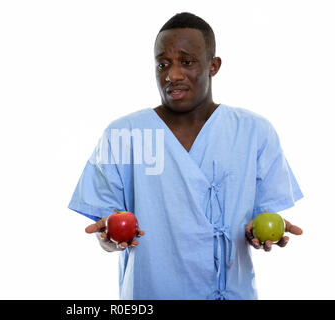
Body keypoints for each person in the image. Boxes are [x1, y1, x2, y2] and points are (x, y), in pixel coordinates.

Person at [68, 12, 303, 300]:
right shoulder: (123, 134)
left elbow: (261, 222)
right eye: (163, 64)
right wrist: (111, 239)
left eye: (187, 62)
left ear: (213, 66)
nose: (172, 74)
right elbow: (106, 235)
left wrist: (262, 234)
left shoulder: (255, 131)